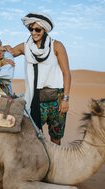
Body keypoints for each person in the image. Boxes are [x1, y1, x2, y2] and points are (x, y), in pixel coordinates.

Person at [10, 12, 71, 145]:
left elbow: (66, 73)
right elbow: (9, 54)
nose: (33, 32)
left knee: (56, 138)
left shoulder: (57, 46)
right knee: (35, 137)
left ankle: (54, 164)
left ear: (44, 30)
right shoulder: (25, 47)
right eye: (31, 29)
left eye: (37, 29)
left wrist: (65, 99)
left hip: (57, 98)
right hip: (36, 99)